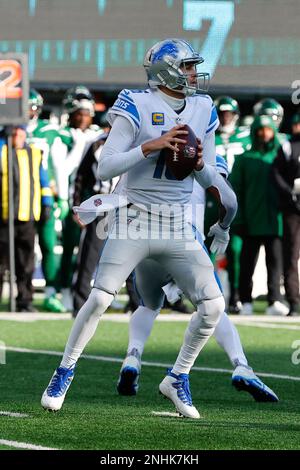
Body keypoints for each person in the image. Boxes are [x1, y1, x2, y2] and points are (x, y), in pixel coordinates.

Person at [41, 38, 230, 419]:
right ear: (167, 70)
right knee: (99, 298)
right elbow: (105, 168)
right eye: (188, 66)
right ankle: (64, 370)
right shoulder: (136, 103)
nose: (194, 73)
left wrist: (197, 166)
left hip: (177, 223)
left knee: (213, 305)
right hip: (134, 219)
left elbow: (210, 172)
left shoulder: (203, 107)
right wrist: (153, 145)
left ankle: (177, 377)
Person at [117, 155, 278, 402]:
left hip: (146, 236)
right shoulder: (205, 153)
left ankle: (132, 357)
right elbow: (227, 199)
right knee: (214, 306)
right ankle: (240, 365)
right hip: (184, 237)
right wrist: (223, 226)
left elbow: (121, 195)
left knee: (148, 305)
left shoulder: (150, 147)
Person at [230, 115, 289, 316]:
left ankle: (275, 300)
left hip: (275, 221)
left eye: (268, 130)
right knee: (246, 264)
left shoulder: (279, 158)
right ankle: (244, 300)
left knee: (275, 263)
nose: (264, 134)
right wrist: (238, 218)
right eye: (260, 130)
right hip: (250, 221)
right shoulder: (244, 160)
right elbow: (235, 190)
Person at [56, 86, 104, 310]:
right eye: (79, 113)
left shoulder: (99, 136)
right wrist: (80, 145)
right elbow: (65, 170)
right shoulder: (62, 135)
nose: (83, 118)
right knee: (71, 246)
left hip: (91, 198)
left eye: (86, 113)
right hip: (67, 196)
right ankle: (64, 289)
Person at [206, 96, 251, 314]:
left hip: (238, 199)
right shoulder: (208, 137)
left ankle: (236, 296)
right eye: (222, 114)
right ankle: (208, 296)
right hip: (211, 201)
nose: (225, 118)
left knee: (235, 251)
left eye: (228, 114)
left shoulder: (246, 137)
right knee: (207, 251)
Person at [0, 126, 53, 311]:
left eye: (20, 133)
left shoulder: (34, 154)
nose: (16, 137)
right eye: (13, 133)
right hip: (4, 217)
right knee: (1, 263)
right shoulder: (2, 150)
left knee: (26, 262)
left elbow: (43, 181)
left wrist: (47, 203)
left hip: (27, 216)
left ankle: (25, 300)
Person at [26, 89, 66, 313]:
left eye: (31, 107)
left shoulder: (49, 131)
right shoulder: (10, 129)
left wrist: (62, 195)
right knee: (22, 247)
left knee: (49, 244)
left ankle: (51, 292)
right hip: (19, 197)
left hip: (45, 196)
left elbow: (58, 165)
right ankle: (24, 293)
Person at [272, 113, 300, 316]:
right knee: (291, 255)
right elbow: (275, 172)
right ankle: (294, 301)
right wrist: (290, 194)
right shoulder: (288, 146)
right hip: (293, 210)